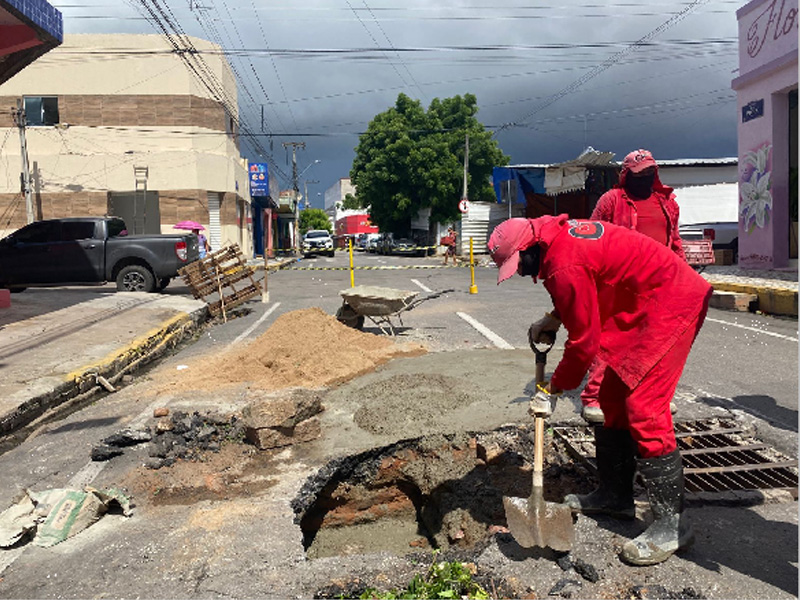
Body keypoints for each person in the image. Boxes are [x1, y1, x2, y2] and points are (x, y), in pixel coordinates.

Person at [488, 215, 711, 566]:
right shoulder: (557, 240)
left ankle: (672, 525)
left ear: (532, 247)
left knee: (644, 406)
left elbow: (585, 343)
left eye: (518, 263)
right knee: (609, 397)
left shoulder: (562, 263)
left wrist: (553, 389)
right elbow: (586, 283)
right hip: (642, 301)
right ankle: (615, 495)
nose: (518, 272)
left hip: (669, 302)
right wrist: (554, 317)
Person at [530, 149, 685, 425]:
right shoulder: (612, 201)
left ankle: (651, 396)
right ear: (626, 175)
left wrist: (681, 273)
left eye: (649, 173)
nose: (645, 178)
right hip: (618, 280)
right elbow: (590, 237)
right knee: (606, 340)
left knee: (652, 341)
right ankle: (594, 398)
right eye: (639, 174)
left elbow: (674, 240)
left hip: (656, 281)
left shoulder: (667, 203)